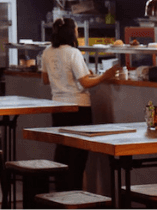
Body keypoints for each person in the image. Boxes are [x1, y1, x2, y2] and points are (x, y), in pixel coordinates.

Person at [41, 17, 120, 190]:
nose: (78, 33)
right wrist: (105, 76)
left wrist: (70, 76)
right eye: (77, 30)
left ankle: (60, 197)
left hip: (58, 107)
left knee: (62, 153)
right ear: (71, 32)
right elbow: (85, 83)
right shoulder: (73, 52)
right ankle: (74, 198)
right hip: (78, 108)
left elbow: (45, 79)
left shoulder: (48, 51)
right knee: (77, 157)